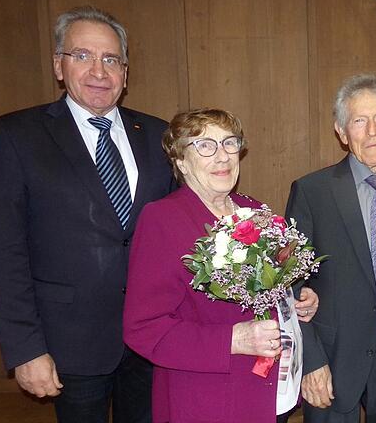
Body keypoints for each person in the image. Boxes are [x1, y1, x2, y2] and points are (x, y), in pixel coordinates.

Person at [0, 6, 173, 423]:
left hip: (152, 338)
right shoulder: (17, 136)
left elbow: (186, 229)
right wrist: (25, 349)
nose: (98, 71)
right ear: (58, 65)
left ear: (125, 70)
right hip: (68, 342)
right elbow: (3, 252)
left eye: (111, 59)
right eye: (82, 56)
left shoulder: (161, 136)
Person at [122, 108, 319, 423]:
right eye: (205, 146)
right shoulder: (163, 219)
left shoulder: (255, 209)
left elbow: (265, 289)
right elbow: (144, 329)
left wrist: (294, 303)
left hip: (269, 390)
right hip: (205, 399)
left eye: (229, 143)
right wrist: (234, 340)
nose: (223, 156)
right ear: (181, 161)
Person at [285, 73, 376, 423]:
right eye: (358, 120)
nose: (371, 131)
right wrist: (311, 360)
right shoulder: (311, 191)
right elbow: (290, 284)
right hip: (333, 359)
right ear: (341, 131)